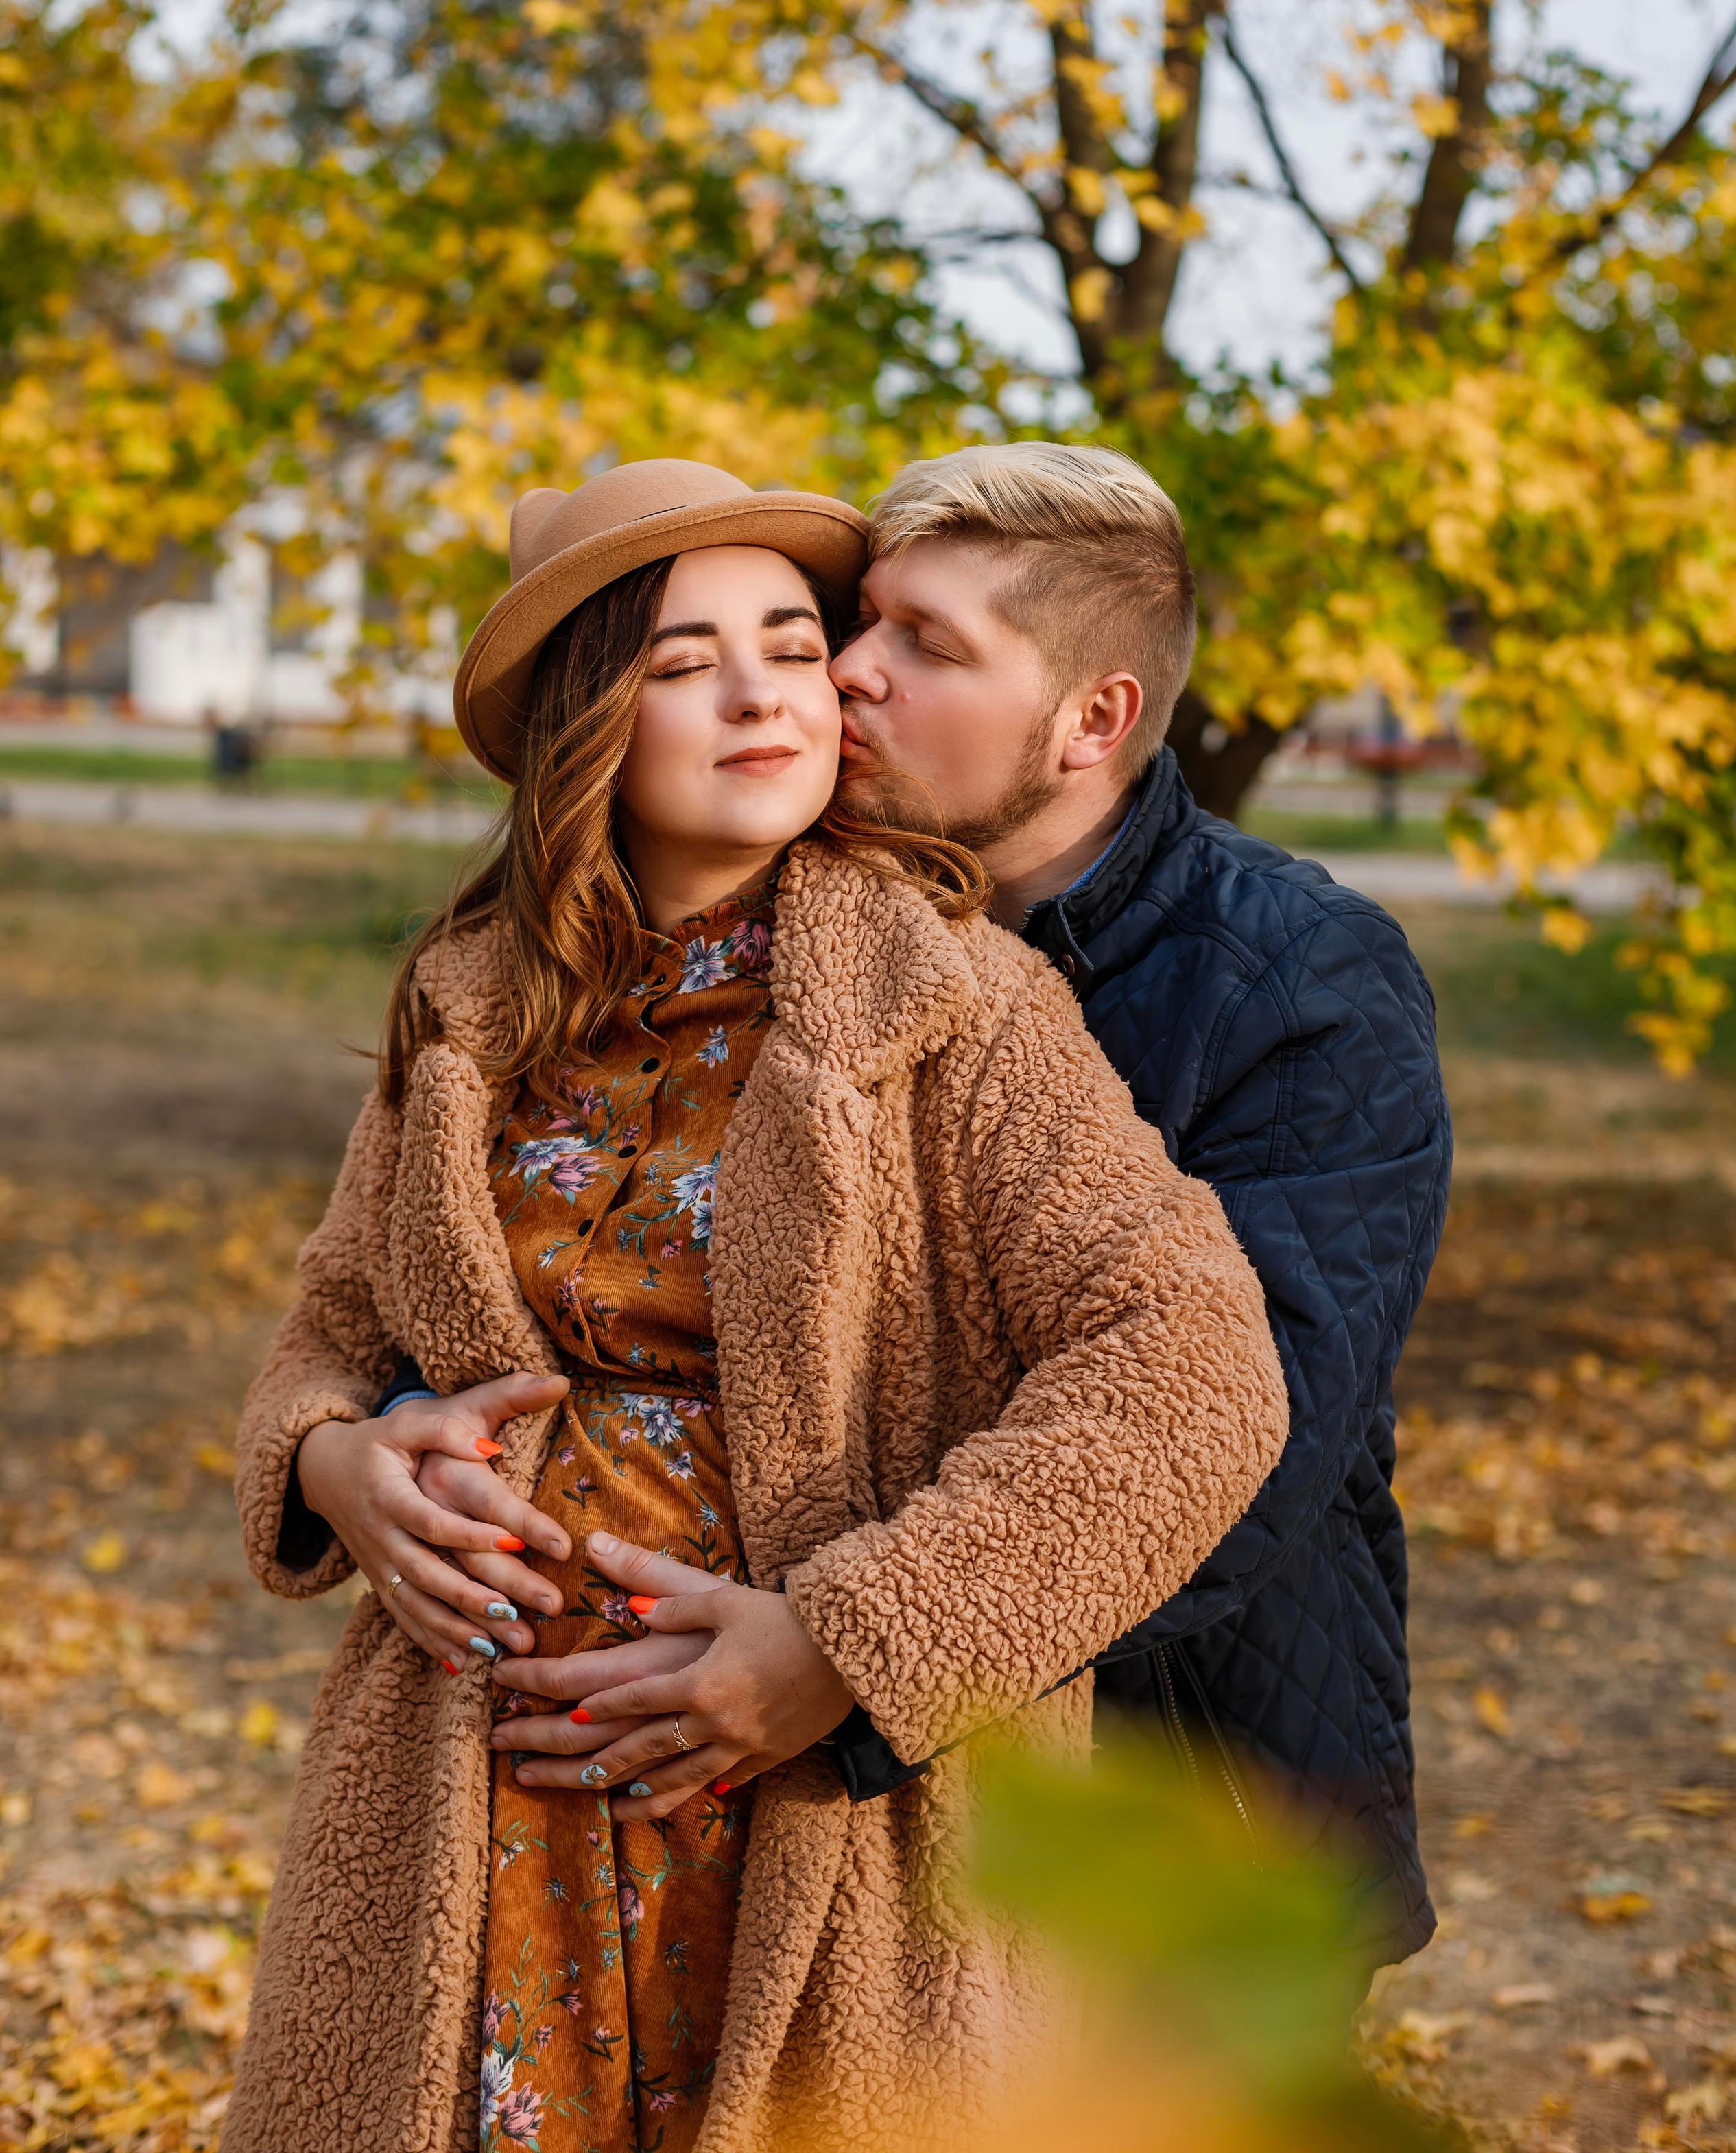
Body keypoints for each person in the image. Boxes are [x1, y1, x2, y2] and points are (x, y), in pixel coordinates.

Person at [224, 457, 1288, 2153]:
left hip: (794, 1805)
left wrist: (849, 1649)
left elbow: (1193, 1373)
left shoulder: (956, 1007)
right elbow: (330, 1334)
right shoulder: (467, 1004)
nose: (761, 693)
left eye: (794, 645)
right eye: (680, 660)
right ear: (588, 721)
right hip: (473, 1802)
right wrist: (336, 1465)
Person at [350, 440, 1451, 1985]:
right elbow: (597, 1264)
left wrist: (839, 1655)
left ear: (1090, 719)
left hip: (1183, 1807)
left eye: (924, 643)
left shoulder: (1292, 987)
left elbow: (1238, 1446)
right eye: (854, 621)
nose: (845, 675)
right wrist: (379, 1439)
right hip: (772, 1804)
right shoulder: (768, 924)